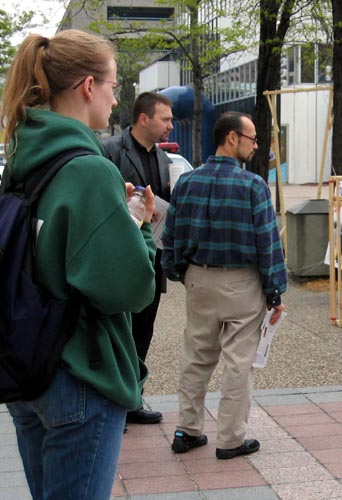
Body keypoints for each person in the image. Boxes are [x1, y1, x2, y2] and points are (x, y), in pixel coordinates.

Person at [1, 30, 157, 499]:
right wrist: (138, 226)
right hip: (81, 373)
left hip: (28, 366)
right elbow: (130, 287)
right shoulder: (90, 170)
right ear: (88, 86)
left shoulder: (23, 159)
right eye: (113, 86)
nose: (116, 99)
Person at [161, 111, 287, 460]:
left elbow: (171, 235)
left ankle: (187, 430)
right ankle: (230, 439)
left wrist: (178, 272)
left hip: (198, 279)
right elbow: (268, 243)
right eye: (253, 139)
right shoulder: (253, 186)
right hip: (242, 283)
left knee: (196, 357)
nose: (256, 146)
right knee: (238, 362)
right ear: (232, 138)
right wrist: (275, 290)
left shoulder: (186, 182)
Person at [101, 91, 174, 426]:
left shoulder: (163, 159)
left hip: (152, 258)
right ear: (144, 118)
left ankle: (132, 399)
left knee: (144, 330)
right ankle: (113, 404)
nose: (170, 125)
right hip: (118, 257)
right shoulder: (110, 151)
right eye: (165, 119)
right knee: (118, 332)